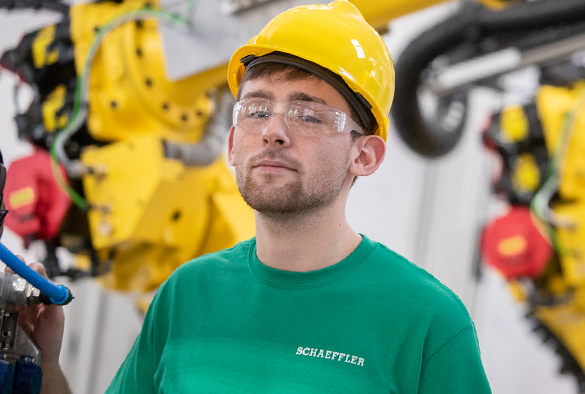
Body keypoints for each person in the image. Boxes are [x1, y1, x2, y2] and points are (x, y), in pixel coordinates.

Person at [26, 1, 492, 392]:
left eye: (309, 115)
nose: (272, 131)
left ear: (365, 156)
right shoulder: (186, 294)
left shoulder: (427, 322)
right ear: (231, 144)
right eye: (255, 109)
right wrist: (45, 365)